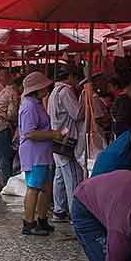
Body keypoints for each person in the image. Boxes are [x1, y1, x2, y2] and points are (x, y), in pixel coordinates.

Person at [17, 70, 63, 236]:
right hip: (34, 154)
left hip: (42, 153)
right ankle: (29, 223)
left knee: (45, 188)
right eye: (44, 86)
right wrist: (53, 134)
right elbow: (29, 133)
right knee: (34, 188)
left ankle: (42, 219)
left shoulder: (35, 103)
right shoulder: (29, 106)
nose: (47, 88)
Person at [46, 64, 87, 221]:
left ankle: (59, 209)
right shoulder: (65, 91)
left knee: (60, 177)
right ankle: (74, 214)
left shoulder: (53, 92)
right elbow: (77, 114)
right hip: (66, 141)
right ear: (70, 77)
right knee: (73, 177)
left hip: (57, 140)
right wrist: (85, 100)